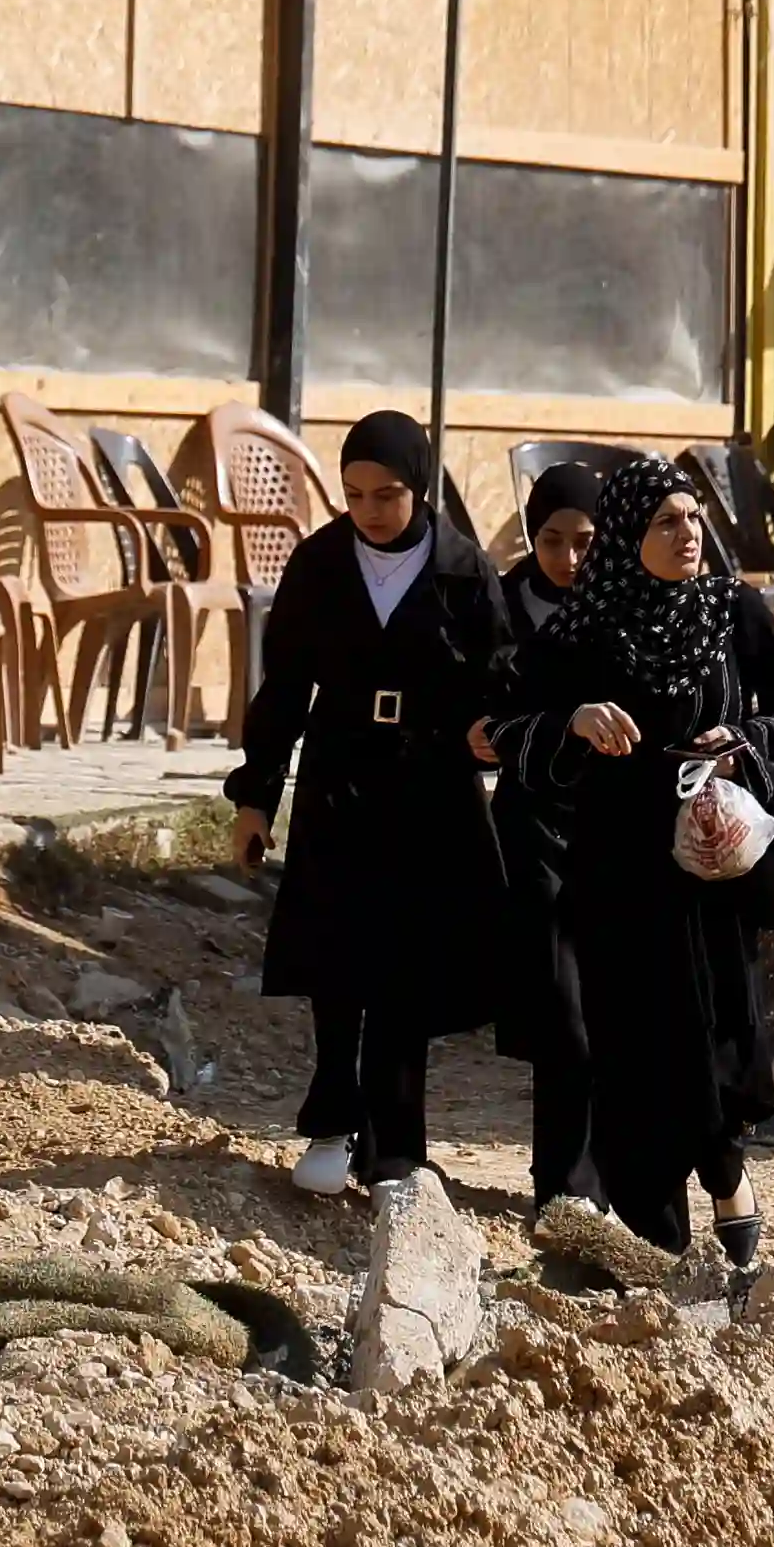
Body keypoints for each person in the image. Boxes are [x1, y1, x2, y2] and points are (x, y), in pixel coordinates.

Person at [510, 455, 774, 1274]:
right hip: (615, 869)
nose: (688, 533)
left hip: (711, 871)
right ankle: (657, 1243)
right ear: (628, 537)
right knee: (633, 1047)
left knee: (711, 1035)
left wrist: (741, 744)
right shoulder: (581, 629)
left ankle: (723, 1169)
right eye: (665, 521)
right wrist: (574, 718)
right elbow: (510, 732)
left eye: (693, 518)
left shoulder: (730, 610)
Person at [223, 410, 509, 1203]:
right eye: (354, 494)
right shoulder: (318, 566)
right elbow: (282, 690)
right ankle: (332, 1120)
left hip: (429, 780)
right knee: (337, 954)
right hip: (341, 774)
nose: (370, 511)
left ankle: (395, 1148)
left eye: (387, 494)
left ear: (418, 487)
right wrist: (256, 798)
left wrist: (492, 732)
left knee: (406, 966)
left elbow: (502, 677)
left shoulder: (463, 571)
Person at [473, 459, 612, 1207]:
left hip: (615, 829)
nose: (567, 559)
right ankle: (559, 1184)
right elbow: (475, 693)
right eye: (551, 540)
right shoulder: (502, 605)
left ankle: (595, 1183)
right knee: (563, 1016)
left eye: (585, 542)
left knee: (607, 1011)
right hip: (532, 826)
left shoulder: (629, 606)